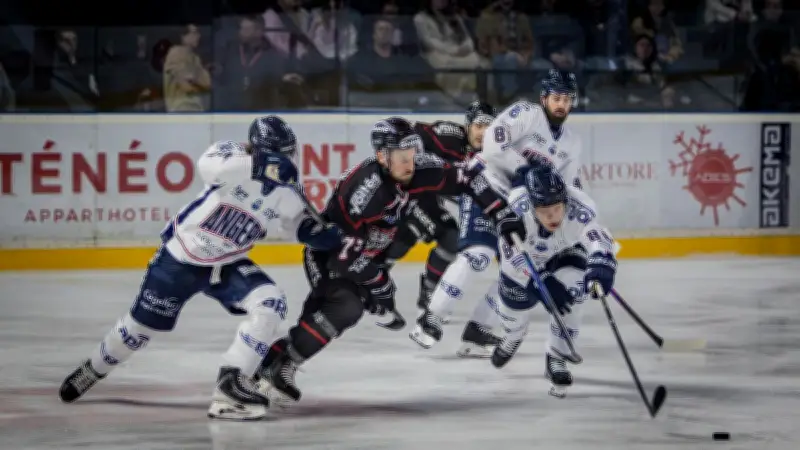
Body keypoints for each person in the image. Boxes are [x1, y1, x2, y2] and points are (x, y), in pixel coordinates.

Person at [58, 116, 342, 421]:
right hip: (181, 258)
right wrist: (260, 166)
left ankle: (231, 384)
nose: (287, 160)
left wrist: (319, 235)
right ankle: (94, 368)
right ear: (257, 150)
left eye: (289, 153)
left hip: (228, 263)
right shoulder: (231, 154)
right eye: (278, 154)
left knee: (269, 302)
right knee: (137, 331)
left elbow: (295, 224)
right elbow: (211, 166)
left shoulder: (286, 188)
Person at [252, 117, 526, 407]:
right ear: (383, 156)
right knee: (345, 306)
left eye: (412, 154)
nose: (410, 164)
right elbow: (345, 255)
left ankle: (266, 364)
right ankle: (275, 365)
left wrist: (500, 212)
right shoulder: (366, 191)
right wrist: (379, 284)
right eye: (401, 157)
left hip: (365, 253)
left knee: (337, 312)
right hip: (329, 256)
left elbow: (469, 178)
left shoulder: (419, 168)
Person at [411, 69, 584, 358]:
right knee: (477, 256)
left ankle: (478, 329)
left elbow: (565, 187)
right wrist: (527, 171)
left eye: (566, 100)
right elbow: (492, 144)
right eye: (556, 98)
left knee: (520, 271)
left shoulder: (572, 143)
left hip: (523, 206)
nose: (561, 105)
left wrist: (577, 225)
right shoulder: (525, 114)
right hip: (486, 187)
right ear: (544, 98)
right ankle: (432, 319)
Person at [486, 164, 617, 398]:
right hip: (525, 264)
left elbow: (597, 236)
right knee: (512, 311)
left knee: (576, 290)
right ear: (532, 205)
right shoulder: (515, 208)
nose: (552, 216)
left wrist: (602, 262)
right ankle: (513, 335)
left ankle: (557, 357)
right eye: (544, 210)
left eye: (557, 208)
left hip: (564, 252)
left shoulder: (581, 205)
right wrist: (540, 280)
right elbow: (509, 256)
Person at [383, 100, 497, 313]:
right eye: (479, 126)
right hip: (411, 191)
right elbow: (409, 133)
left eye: (489, 127)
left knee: (417, 237)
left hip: (429, 196)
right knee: (445, 236)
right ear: (467, 126)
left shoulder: (492, 156)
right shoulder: (449, 136)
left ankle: (378, 273)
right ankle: (382, 277)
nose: (483, 132)